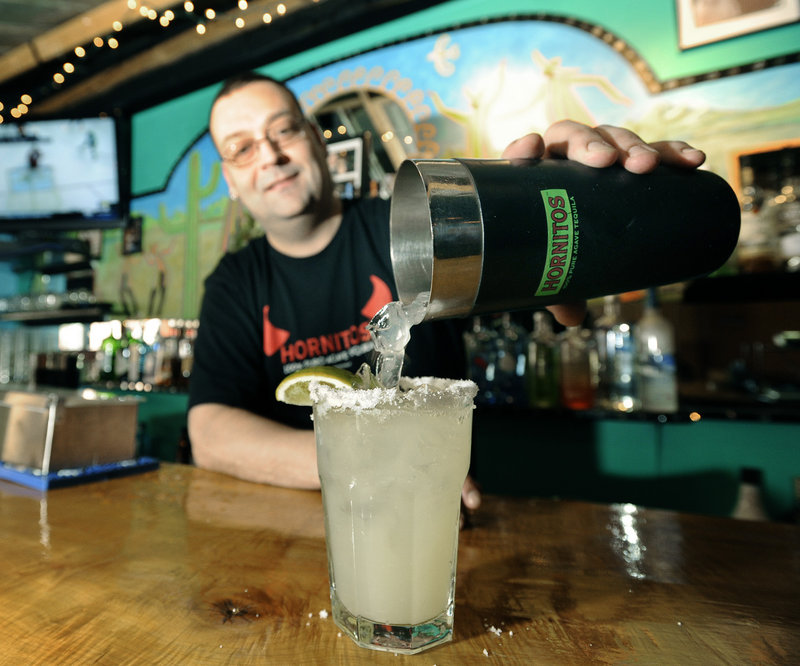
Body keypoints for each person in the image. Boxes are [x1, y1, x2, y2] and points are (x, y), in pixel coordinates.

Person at [187, 72, 706, 512]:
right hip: (310, 521)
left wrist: (588, 200)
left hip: (446, 512)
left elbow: (556, 286)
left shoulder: (416, 225)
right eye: (242, 148)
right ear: (231, 180)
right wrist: (370, 464)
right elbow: (209, 433)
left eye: (284, 130)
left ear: (318, 141)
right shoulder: (236, 282)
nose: (271, 155)